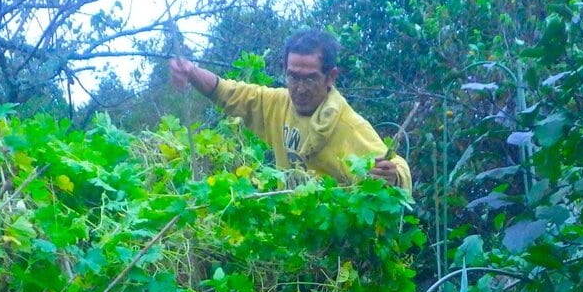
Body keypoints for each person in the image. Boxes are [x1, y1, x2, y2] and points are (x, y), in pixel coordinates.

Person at [169, 29, 412, 191]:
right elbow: (229, 93)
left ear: (331, 77)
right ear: (284, 69)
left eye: (310, 79)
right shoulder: (278, 104)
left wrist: (393, 176)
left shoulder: (347, 125)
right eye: (293, 77)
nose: (300, 89)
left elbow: (397, 167)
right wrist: (191, 72)